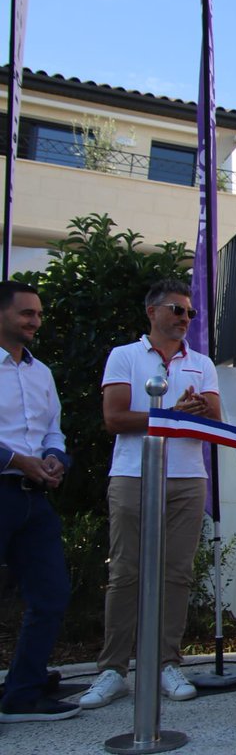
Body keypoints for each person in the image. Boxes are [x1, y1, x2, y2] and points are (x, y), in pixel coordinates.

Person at [80, 279, 221, 710]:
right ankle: (113, 669)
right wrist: (172, 414)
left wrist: (196, 413)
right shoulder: (124, 356)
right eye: (177, 310)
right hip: (134, 473)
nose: (184, 319)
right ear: (152, 312)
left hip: (187, 477)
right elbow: (115, 417)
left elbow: (216, 419)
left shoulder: (202, 363)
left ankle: (165, 662)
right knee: (127, 571)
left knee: (177, 574)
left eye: (190, 313)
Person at [0, 281, 77, 723]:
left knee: (50, 595)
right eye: (26, 313)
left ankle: (22, 692)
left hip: (33, 500)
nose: (35, 321)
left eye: (39, 314)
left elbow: (53, 430)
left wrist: (54, 459)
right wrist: (15, 460)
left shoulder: (40, 372)